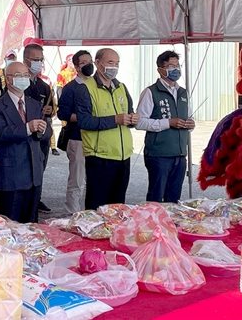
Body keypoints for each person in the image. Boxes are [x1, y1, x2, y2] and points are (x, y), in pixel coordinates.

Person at [75, 48, 139, 208]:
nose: (114, 67)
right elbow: (84, 121)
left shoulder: (121, 87)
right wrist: (115, 120)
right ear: (97, 63)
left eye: (117, 63)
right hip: (100, 156)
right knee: (98, 205)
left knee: (118, 206)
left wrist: (132, 119)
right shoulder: (85, 89)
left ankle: (115, 233)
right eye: (110, 62)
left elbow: (129, 112)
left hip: (123, 156)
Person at [0, 62, 50, 223]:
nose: (24, 79)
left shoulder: (35, 104)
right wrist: (27, 128)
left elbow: (47, 132)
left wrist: (42, 130)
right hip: (10, 175)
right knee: (9, 224)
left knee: (31, 225)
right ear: (8, 79)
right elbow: (0, 133)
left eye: (26, 75)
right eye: (19, 75)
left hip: (34, 173)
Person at [136, 51, 194, 203]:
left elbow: (189, 116)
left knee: (174, 198)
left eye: (177, 65)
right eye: (170, 66)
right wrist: (167, 122)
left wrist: (191, 123)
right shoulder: (151, 92)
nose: (175, 69)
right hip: (159, 154)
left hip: (180, 153)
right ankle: (153, 225)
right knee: (156, 196)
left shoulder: (183, 93)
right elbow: (140, 122)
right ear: (160, 70)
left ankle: (172, 225)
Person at [56, 50, 92, 213]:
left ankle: (90, 213)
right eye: (84, 62)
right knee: (77, 179)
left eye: (90, 61)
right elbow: (62, 113)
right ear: (76, 66)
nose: (89, 65)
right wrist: (85, 118)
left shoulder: (95, 85)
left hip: (96, 138)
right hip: (77, 138)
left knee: (93, 178)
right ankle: (72, 212)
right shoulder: (70, 88)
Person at [22, 42, 55, 213]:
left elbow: (52, 111)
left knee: (40, 167)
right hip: (23, 134)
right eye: (35, 59)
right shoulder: (17, 82)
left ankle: (37, 198)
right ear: (25, 60)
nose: (39, 63)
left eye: (41, 60)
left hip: (41, 135)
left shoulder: (44, 86)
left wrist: (49, 111)